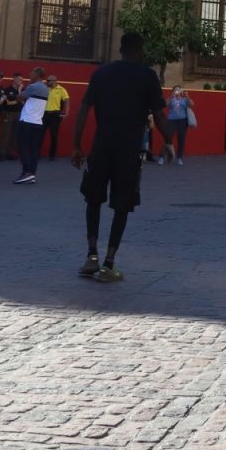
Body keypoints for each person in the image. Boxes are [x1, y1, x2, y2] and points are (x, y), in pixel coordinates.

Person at [71, 32, 166, 283]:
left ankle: (91, 256)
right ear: (140, 50)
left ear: (121, 48)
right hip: (128, 151)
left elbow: (83, 109)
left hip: (100, 147)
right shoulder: (147, 76)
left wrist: (77, 145)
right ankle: (109, 264)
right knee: (122, 206)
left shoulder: (101, 73)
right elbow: (158, 115)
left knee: (93, 200)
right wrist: (168, 140)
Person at [12, 67, 50, 184]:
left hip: (27, 121)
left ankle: (27, 172)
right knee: (34, 149)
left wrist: (20, 89)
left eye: (32, 72)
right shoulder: (45, 89)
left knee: (21, 147)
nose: (30, 74)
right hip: (38, 123)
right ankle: (31, 174)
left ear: (37, 74)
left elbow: (19, 98)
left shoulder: (32, 87)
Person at [162, 86, 192, 165]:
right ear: (173, 91)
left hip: (182, 121)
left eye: (179, 89)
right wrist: (170, 97)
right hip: (172, 120)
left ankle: (179, 158)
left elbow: (191, 104)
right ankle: (162, 156)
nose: (177, 91)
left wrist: (187, 96)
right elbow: (164, 104)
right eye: (176, 89)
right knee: (167, 138)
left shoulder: (184, 99)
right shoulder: (171, 99)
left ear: (181, 91)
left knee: (181, 139)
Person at [43, 78, 70, 160]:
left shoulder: (61, 89)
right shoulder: (45, 88)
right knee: (40, 134)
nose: (47, 82)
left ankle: (52, 155)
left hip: (55, 115)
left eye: (49, 81)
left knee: (54, 135)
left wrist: (66, 112)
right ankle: (36, 154)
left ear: (54, 81)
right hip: (44, 114)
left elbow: (67, 100)